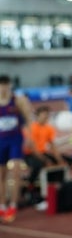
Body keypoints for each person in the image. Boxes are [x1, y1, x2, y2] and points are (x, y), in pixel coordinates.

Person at [0, 74, 32, 223]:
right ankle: (2, 206)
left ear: (10, 85)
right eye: (1, 85)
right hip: (1, 142)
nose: (3, 88)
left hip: (15, 141)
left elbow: (28, 119)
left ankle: (13, 204)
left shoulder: (18, 100)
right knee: (2, 176)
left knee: (16, 172)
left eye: (6, 85)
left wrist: (30, 138)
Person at [23, 105, 72, 187]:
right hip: (30, 154)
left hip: (43, 152)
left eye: (47, 116)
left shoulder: (49, 128)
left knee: (69, 160)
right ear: (37, 116)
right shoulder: (31, 128)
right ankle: (30, 184)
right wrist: (45, 160)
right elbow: (32, 148)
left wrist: (59, 159)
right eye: (43, 115)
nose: (45, 118)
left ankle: (56, 181)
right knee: (38, 165)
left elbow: (53, 146)